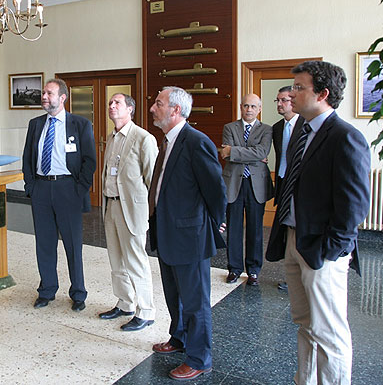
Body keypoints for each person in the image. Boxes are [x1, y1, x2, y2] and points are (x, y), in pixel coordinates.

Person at [266, 61, 370, 384]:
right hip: (295, 240)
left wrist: (329, 251)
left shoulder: (345, 137)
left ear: (323, 94)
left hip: (322, 250)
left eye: (299, 87)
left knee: (330, 334)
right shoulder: (301, 129)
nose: (292, 93)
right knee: (307, 325)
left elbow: (353, 207)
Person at [148, 87, 226, 381]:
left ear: (175, 110)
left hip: (189, 236)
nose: (153, 108)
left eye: (159, 103)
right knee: (174, 295)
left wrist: (215, 223)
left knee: (195, 302)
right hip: (167, 233)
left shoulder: (196, 142)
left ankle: (199, 358)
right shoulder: (167, 142)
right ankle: (179, 337)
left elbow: (216, 191)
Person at [22, 78, 96, 312]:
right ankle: (46, 290)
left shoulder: (80, 124)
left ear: (63, 98)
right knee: (44, 243)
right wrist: (31, 186)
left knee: (73, 245)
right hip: (41, 189)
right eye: (43, 93)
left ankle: (78, 293)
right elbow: (27, 158)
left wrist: (79, 189)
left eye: (49, 93)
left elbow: (89, 161)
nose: (44, 97)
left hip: (68, 189)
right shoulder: (35, 124)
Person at [99, 93, 157, 331]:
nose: (112, 106)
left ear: (130, 109)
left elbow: (152, 180)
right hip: (111, 205)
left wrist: (153, 214)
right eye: (110, 103)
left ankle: (147, 311)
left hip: (132, 209)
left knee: (135, 260)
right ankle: (125, 303)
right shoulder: (112, 138)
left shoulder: (143, 138)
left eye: (117, 103)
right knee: (116, 260)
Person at [220, 94, 273, 286]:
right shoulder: (229, 127)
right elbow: (225, 154)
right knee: (233, 228)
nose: (249, 109)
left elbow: (261, 152)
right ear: (240, 107)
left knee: (255, 229)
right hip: (234, 183)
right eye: (245, 106)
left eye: (253, 106)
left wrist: (235, 151)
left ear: (259, 108)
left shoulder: (267, 130)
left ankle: (253, 271)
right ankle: (234, 269)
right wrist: (252, 155)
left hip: (256, 184)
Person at [271, 86, 304, 291]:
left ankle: (301, 275)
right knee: (285, 229)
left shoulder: (305, 126)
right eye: (277, 100)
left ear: (293, 101)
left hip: (299, 185)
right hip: (282, 181)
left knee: (297, 228)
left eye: (283, 100)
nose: (280, 104)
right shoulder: (276, 128)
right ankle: (291, 274)